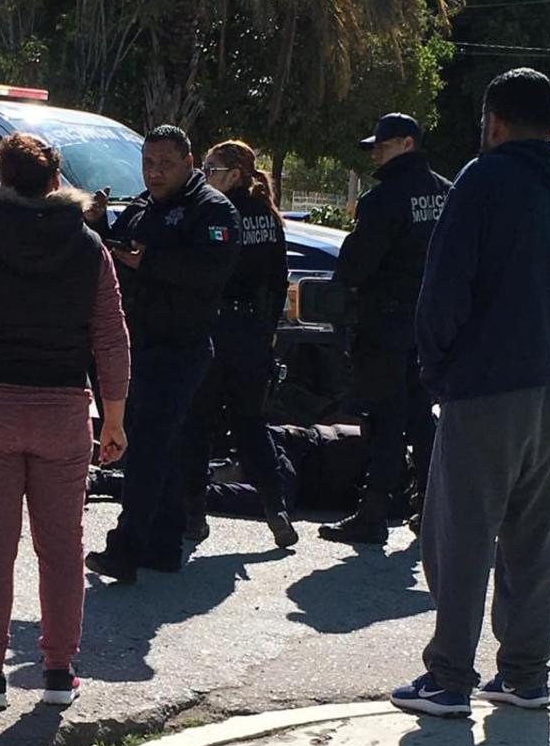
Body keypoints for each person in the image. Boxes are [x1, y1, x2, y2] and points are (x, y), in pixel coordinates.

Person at [392, 68, 550, 719]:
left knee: (459, 535)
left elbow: (444, 290)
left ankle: (448, 677)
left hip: (485, 384)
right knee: (534, 536)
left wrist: (437, 371)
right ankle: (525, 674)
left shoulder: (483, 177)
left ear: (493, 122)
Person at [0, 132, 130, 710]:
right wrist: (114, 419)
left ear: (2, 181)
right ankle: (59, 672)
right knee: (62, 547)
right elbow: (112, 339)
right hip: (63, 411)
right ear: (56, 180)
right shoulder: (90, 247)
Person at [84, 125, 240, 583]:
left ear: (189, 163)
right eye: (148, 163)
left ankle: (126, 548)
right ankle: (164, 543)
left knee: (148, 450)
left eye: (165, 164)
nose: (154, 173)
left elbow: (213, 271)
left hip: (179, 346)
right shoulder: (144, 205)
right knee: (160, 448)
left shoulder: (212, 209)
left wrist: (150, 262)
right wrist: (99, 225)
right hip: (139, 342)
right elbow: (119, 251)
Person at [319, 112, 451, 546]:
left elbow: (356, 264)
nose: (375, 152)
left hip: (386, 322)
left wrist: (344, 294)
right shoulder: (447, 192)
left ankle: (373, 513)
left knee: (385, 419)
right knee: (422, 416)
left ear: (407, 144)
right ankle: (430, 507)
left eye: (383, 144)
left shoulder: (384, 199)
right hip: (431, 322)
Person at [183, 141, 295, 549]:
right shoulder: (269, 216)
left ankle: (193, 516)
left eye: (210, 169)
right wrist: (267, 331)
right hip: (253, 332)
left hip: (216, 326)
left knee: (198, 422)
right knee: (251, 424)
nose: (204, 176)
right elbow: (279, 278)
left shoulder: (216, 211)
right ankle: (276, 509)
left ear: (233, 174)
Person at [91, 423, 367, 524]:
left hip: (297, 461)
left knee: (213, 475)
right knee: (268, 502)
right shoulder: (384, 457)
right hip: (293, 449)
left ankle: (111, 475)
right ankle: (110, 477)